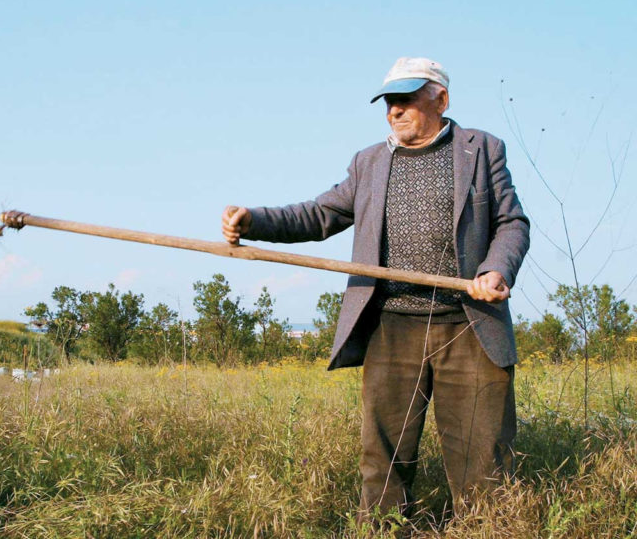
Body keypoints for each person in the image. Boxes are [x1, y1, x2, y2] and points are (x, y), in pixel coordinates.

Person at [221, 57, 530, 522]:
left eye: (406, 100)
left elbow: (511, 223)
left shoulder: (482, 149)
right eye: (389, 102)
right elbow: (317, 215)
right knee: (383, 461)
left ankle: (487, 529)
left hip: (468, 325)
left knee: (481, 459)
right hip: (392, 327)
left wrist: (495, 269)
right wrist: (256, 220)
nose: (394, 111)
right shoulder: (368, 163)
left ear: (440, 100)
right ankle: (385, 531)